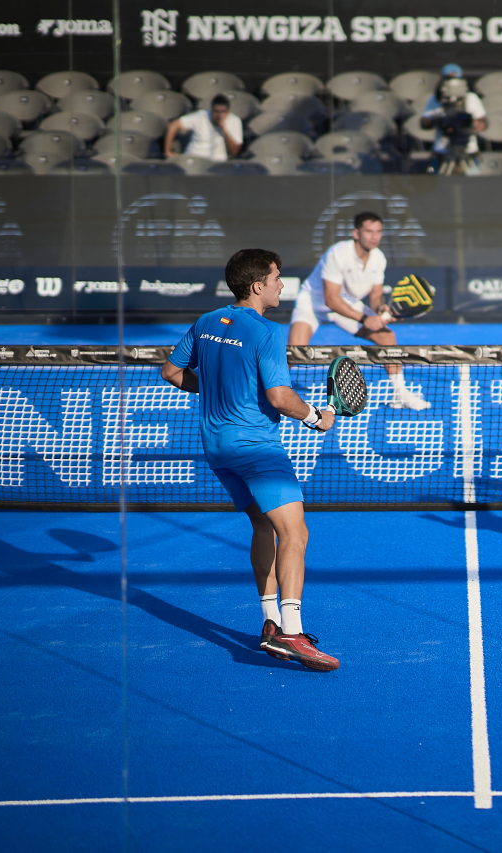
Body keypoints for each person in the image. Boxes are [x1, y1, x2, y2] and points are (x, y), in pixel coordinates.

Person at [161, 248, 340, 671]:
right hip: (257, 449)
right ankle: (293, 635)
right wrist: (317, 417)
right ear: (258, 285)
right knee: (295, 534)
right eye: (277, 277)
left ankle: (271, 623)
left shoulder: (207, 322)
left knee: (263, 525)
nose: (282, 284)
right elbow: (279, 398)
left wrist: (221, 390)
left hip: (217, 449)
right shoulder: (266, 332)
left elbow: (170, 372)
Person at [287, 210, 430, 410]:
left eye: (379, 231)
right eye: (369, 231)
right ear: (356, 233)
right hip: (313, 302)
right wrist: (365, 318)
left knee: (387, 339)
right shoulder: (338, 253)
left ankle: (400, 394)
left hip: (346, 301)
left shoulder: (379, 258)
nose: (375, 237)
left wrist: (381, 308)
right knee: (295, 351)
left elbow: (375, 296)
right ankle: (269, 391)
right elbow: (330, 299)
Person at [420, 63, 487, 174]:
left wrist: (469, 124)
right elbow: (425, 123)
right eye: (448, 79)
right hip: (443, 148)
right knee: (442, 183)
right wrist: (439, 120)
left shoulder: (471, 98)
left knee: (474, 183)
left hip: (468, 148)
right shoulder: (435, 100)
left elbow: (483, 123)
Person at [164, 93, 242, 162]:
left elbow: (234, 151)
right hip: (193, 160)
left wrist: (223, 129)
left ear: (228, 111)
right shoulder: (201, 116)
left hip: (216, 165)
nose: (219, 116)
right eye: (216, 111)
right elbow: (173, 125)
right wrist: (168, 151)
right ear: (211, 110)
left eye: (223, 112)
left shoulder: (235, 121)